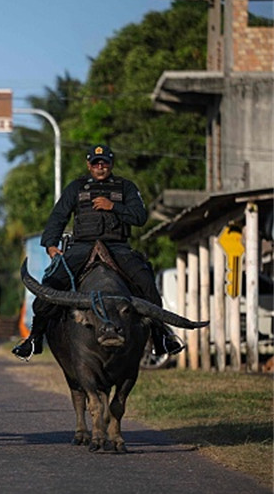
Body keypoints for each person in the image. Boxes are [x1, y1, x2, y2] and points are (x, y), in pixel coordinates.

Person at [12, 144, 184, 360]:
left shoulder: (126, 187)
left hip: (118, 248)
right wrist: (50, 245)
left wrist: (113, 206)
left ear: (111, 164)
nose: (100, 167)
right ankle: (34, 339)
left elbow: (140, 217)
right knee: (49, 286)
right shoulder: (76, 187)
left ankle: (161, 337)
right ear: (89, 165)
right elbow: (58, 216)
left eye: (104, 163)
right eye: (95, 163)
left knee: (147, 283)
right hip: (81, 247)